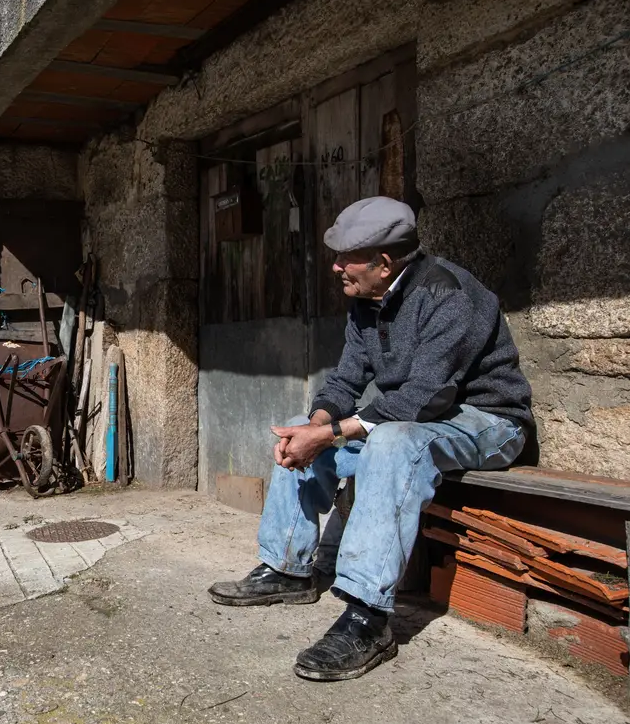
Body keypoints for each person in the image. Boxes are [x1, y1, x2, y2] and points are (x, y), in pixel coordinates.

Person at [208, 197, 533, 681]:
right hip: (415, 419)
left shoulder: (451, 295)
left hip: (487, 423)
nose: (335, 266)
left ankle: (366, 617)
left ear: (385, 263)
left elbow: (426, 397)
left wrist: (329, 434)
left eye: (346, 258)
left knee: (392, 442)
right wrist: (315, 423)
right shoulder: (365, 302)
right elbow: (344, 383)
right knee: (306, 420)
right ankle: (287, 569)